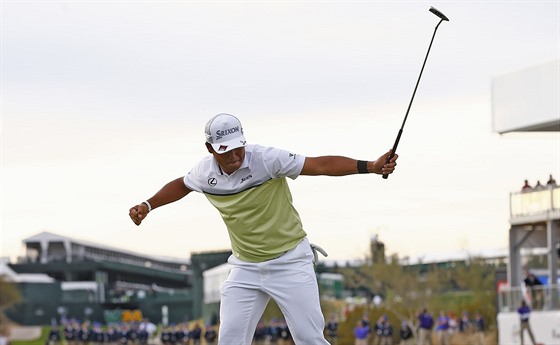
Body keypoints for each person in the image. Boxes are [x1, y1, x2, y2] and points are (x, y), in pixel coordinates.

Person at [129, 113, 399, 345]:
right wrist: (148, 205)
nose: (235, 156)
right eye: (225, 150)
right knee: (230, 339)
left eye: (239, 148)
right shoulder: (204, 173)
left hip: (290, 261)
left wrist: (371, 167)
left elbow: (320, 165)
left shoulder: (267, 160)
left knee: (309, 339)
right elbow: (182, 185)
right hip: (245, 267)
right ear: (210, 149)